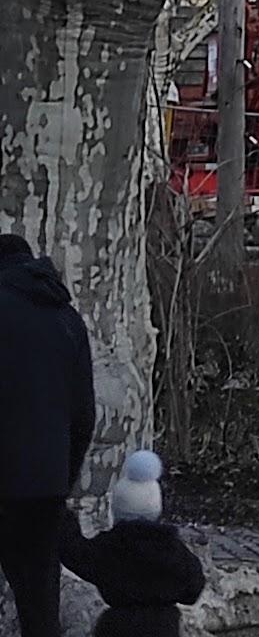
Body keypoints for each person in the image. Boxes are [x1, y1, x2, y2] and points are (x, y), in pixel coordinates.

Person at [0, 233, 96, 637]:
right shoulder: (67, 318)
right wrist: (63, 475)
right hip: (44, 486)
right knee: (40, 607)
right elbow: (84, 414)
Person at [59, 451, 205, 637]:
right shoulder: (172, 550)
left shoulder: (109, 548)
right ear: (156, 509)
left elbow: (75, 553)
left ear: (118, 511)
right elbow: (193, 589)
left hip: (117, 627)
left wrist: (63, 516)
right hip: (163, 628)